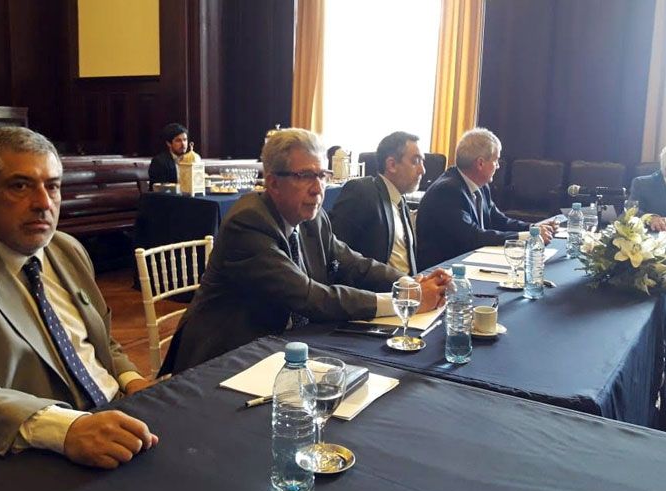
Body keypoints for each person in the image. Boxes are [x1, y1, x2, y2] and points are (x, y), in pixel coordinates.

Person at [0, 127, 158, 472]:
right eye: (20, 186)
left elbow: (100, 342)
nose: (43, 204)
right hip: (27, 454)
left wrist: (131, 380)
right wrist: (67, 429)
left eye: (52, 186)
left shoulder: (67, 249)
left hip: (114, 416)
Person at [161, 128, 450, 375]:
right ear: (273, 182)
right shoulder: (248, 223)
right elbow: (309, 296)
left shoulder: (313, 217)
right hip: (225, 357)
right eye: (305, 176)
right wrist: (402, 301)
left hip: (285, 346)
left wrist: (409, 283)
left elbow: (354, 263)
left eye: (322, 175)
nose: (318, 188)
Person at [416, 127, 555, 269]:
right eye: (496, 160)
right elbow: (473, 237)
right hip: (443, 270)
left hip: (470, 261)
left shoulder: (480, 185)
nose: (498, 166)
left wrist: (533, 228)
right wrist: (528, 237)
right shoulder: (447, 191)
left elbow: (498, 220)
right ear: (480, 163)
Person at [330, 131, 423, 274]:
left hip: (407, 285)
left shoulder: (400, 200)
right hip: (376, 287)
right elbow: (336, 254)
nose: (422, 170)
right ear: (392, 165)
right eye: (415, 161)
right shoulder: (361, 192)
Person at [147, 123, 189, 189]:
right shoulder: (159, 162)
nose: (183, 144)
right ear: (169, 143)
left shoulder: (191, 159)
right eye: (178, 141)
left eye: (185, 140)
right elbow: (160, 189)